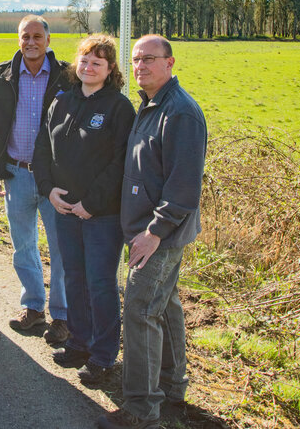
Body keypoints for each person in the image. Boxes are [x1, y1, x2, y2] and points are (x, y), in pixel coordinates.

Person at [97, 35, 207, 429]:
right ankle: (173, 386)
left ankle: (141, 409)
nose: (141, 66)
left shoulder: (180, 113)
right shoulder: (150, 106)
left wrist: (154, 232)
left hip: (159, 235)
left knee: (141, 311)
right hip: (147, 230)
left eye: (149, 59)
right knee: (165, 305)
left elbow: (184, 188)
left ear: (170, 63)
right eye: (136, 60)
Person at [32, 34, 135, 385]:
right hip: (63, 210)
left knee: (101, 284)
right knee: (73, 278)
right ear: (77, 64)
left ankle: (104, 356)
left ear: (110, 69)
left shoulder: (119, 108)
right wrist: (49, 191)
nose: (89, 67)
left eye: (98, 62)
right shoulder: (61, 102)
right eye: (85, 60)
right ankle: (79, 343)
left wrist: (90, 203)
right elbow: (42, 150)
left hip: (100, 215)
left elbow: (121, 163)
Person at [0, 15, 72, 345]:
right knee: (23, 246)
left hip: (55, 179)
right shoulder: (1, 75)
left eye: (37, 36)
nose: (31, 42)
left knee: (61, 249)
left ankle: (62, 316)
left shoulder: (67, 76)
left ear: (48, 40)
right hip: (15, 174)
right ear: (18, 40)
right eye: (25, 36)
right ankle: (34, 308)